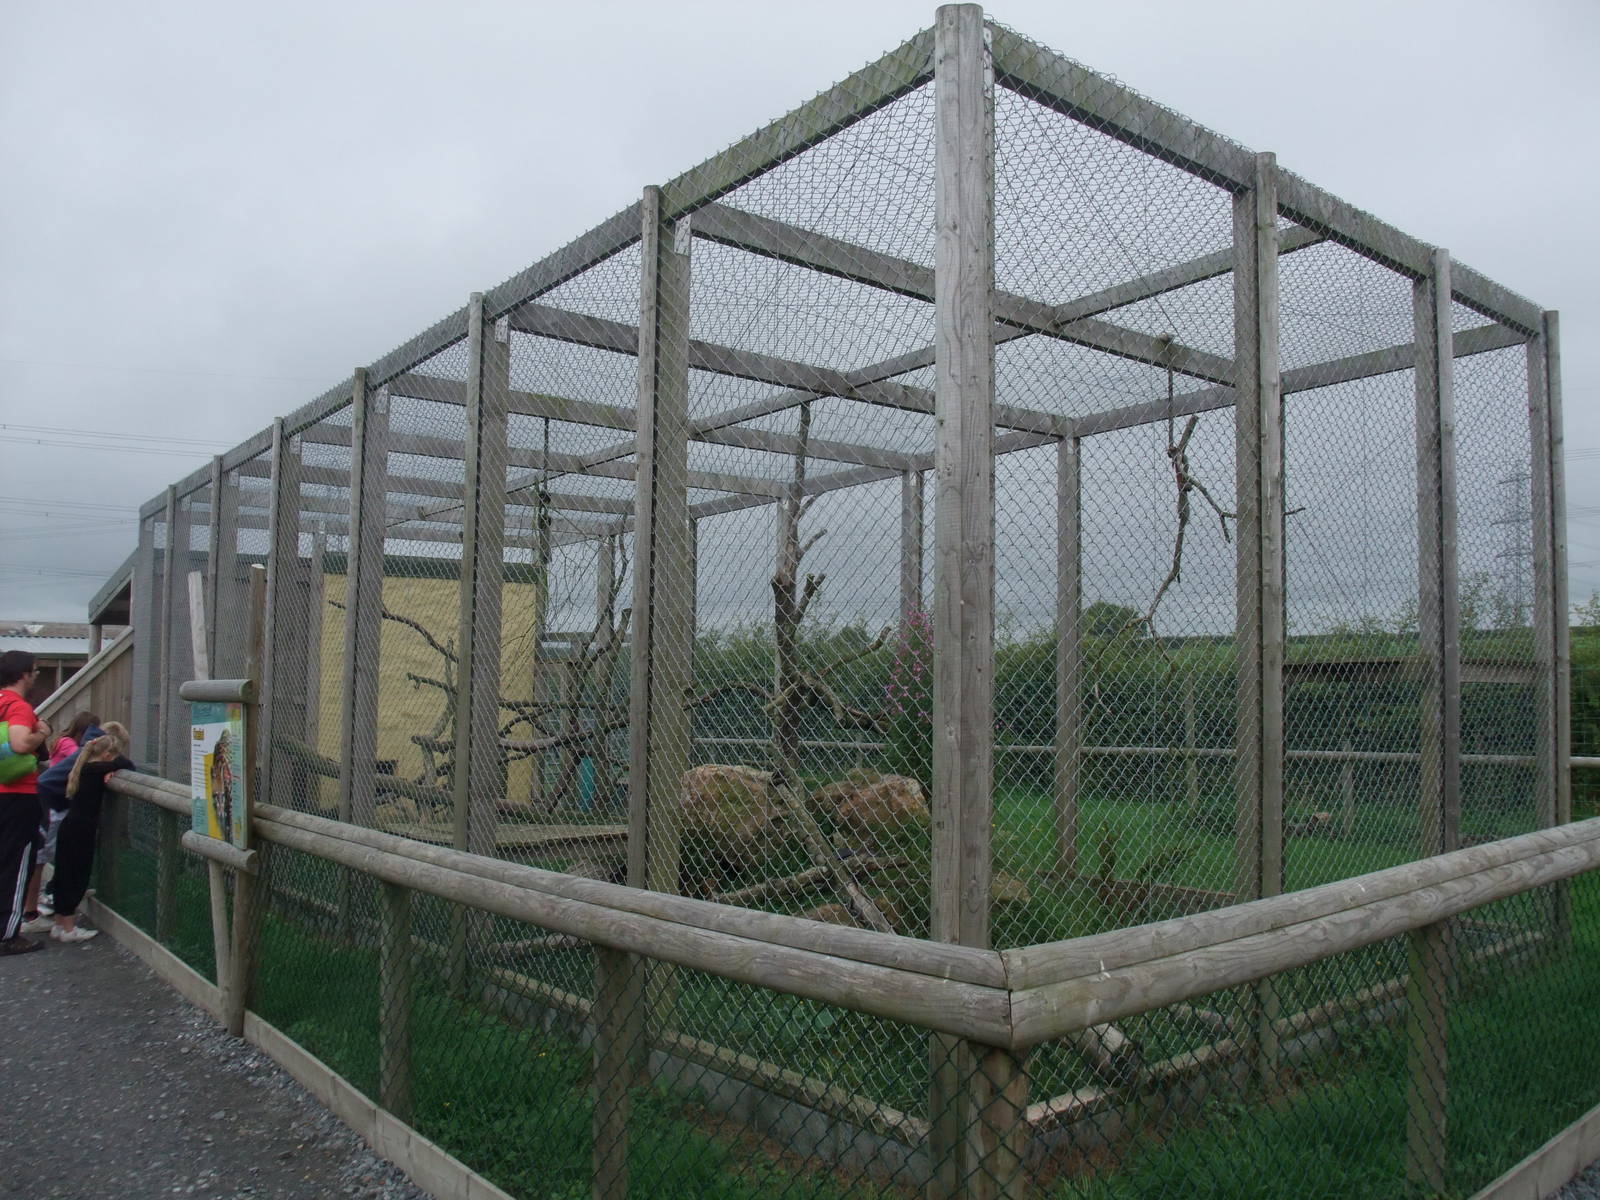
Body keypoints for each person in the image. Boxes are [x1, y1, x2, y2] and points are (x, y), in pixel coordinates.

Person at [27, 719, 120, 922]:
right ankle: (31, 913)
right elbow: (123, 763)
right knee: (42, 857)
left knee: (55, 860)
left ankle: (46, 907)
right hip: (52, 805)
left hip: (62, 814)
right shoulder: (89, 766)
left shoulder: (82, 759)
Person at [48, 731, 134, 944]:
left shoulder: (85, 768)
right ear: (106, 755)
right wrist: (114, 765)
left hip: (70, 826)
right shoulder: (97, 769)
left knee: (63, 874)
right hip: (82, 830)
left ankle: (60, 924)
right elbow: (128, 764)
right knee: (76, 876)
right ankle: (69, 928)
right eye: (112, 755)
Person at [0, 651, 51, 955]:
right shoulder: (19, 707)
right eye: (34, 671)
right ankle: (8, 934)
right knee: (18, 863)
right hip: (19, 794)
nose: (35, 677)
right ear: (23, 674)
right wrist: (42, 731)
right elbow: (20, 743)